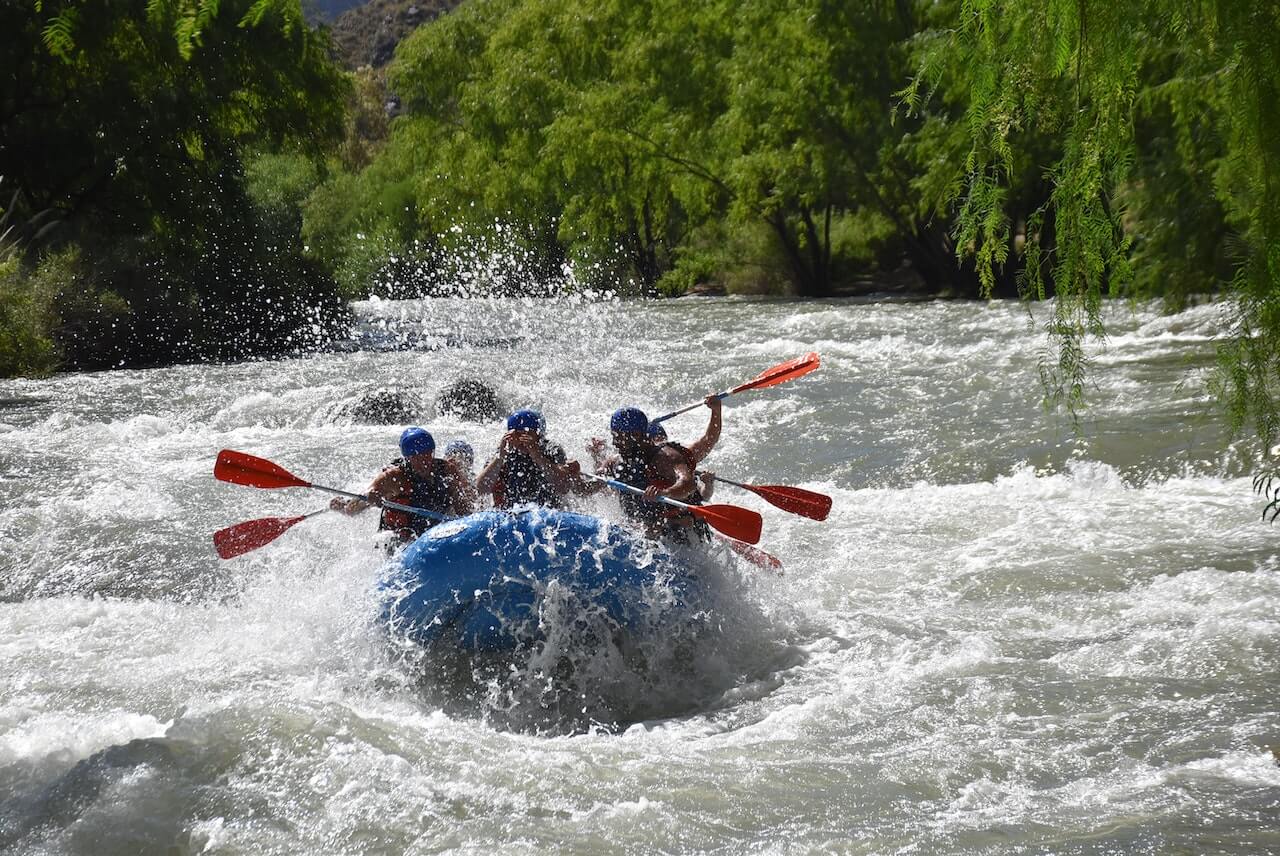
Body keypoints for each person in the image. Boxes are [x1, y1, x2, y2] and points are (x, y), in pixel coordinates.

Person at [329, 426, 473, 543]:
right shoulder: (395, 477)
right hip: (402, 541)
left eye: (427, 455)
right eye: (416, 457)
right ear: (408, 458)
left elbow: (463, 506)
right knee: (352, 509)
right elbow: (370, 492)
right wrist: (370, 496)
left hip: (438, 531)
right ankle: (342, 505)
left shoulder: (447, 469)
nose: (424, 462)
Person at [605, 405, 710, 543]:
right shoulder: (617, 461)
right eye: (613, 436)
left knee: (668, 524)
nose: (614, 443)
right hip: (642, 532)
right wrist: (574, 475)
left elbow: (687, 484)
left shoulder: (666, 457)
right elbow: (589, 487)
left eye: (618, 437)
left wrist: (665, 492)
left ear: (636, 435)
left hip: (679, 535)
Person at [477, 409, 582, 509]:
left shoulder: (552, 450)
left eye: (527, 434)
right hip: (511, 511)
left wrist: (537, 455)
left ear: (539, 435)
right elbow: (481, 490)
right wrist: (500, 458)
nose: (522, 439)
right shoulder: (503, 451)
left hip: (548, 510)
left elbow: (562, 487)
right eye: (518, 434)